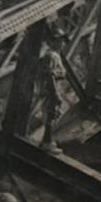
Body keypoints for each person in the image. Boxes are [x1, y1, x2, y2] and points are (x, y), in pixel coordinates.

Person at [36, 24, 68, 155]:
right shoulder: (52, 56)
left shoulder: (52, 55)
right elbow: (50, 75)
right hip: (51, 88)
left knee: (52, 114)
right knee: (51, 114)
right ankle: (47, 143)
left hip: (51, 87)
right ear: (51, 41)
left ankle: (46, 141)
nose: (61, 43)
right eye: (58, 40)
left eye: (61, 40)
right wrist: (55, 93)